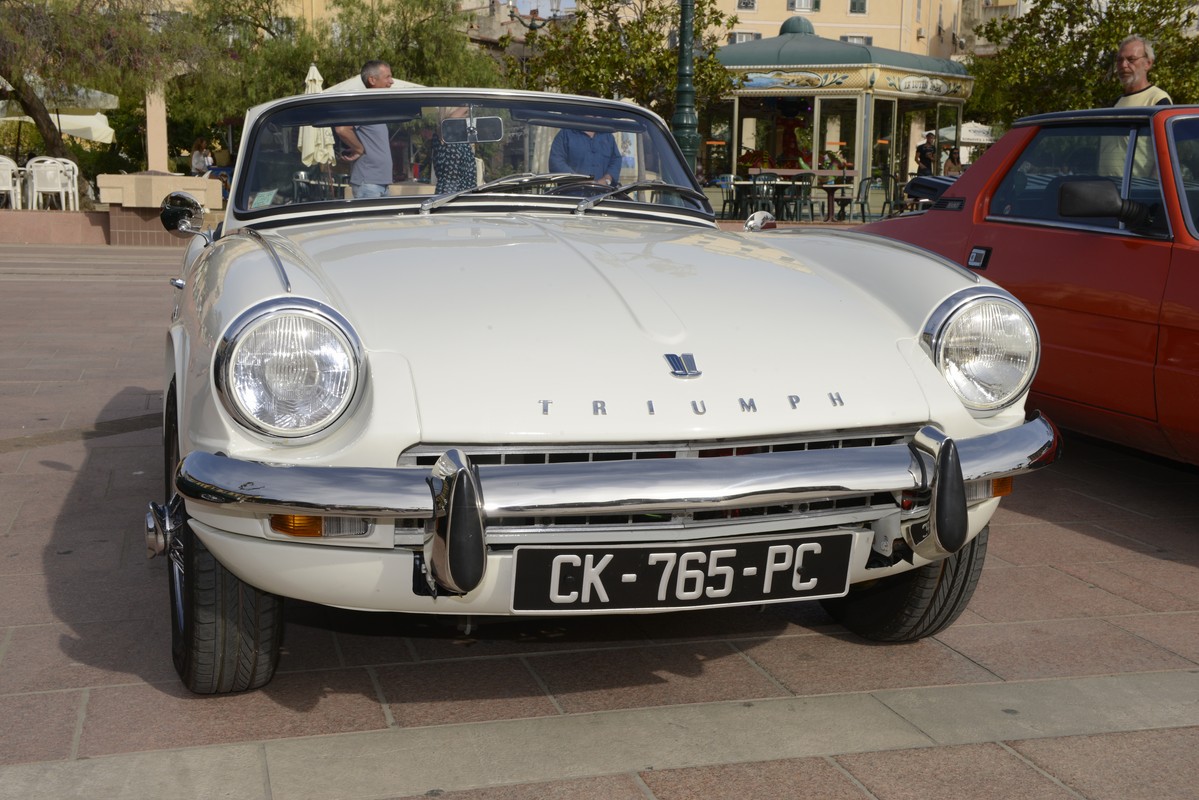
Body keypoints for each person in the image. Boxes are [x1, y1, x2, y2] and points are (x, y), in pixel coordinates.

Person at [334, 60, 395, 198]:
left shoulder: (375, 107)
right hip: (369, 184)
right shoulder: (364, 105)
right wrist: (359, 149)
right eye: (387, 77)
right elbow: (342, 129)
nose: (391, 82)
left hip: (379, 183)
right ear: (372, 80)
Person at [548, 128, 622, 185]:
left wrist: (607, 179)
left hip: (602, 195)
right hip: (571, 195)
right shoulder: (565, 134)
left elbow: (616, 160)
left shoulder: (608, 137)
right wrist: (579, 181)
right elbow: (556, 162)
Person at [1113, 34, 1171, 107]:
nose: (1123, 65)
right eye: (1120, 60)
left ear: (1148, 63)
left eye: (1131, 59)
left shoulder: (1158, 99)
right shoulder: (1116, 103)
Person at [431, 107, 478, 194]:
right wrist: (466, 103)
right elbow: (449, 122)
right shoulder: (443, 132)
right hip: (448, 194)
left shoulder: (462, 138)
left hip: (468, 193)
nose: (467, 116)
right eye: (464, 113)